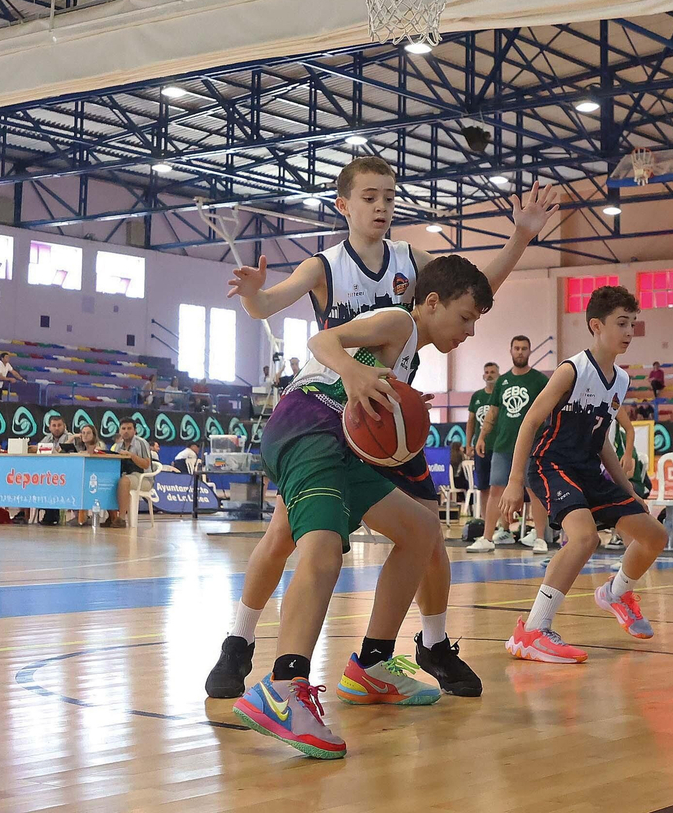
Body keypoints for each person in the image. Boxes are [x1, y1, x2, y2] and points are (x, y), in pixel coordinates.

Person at [207, 156, 557, 703]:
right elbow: (273, 309)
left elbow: (470, 288)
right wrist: (255, 293)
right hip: (329, 408)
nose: (382, 206)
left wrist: (520, 237)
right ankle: (243, 645)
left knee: (423, 531)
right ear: (344, 205)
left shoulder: (411, 263)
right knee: (289, 539)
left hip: (382, 421)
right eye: (370, 197)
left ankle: (403, 652)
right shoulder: (329, 266)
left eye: (390, 198)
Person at [231, 255, 491, 760]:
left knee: (421, 530)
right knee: (322, 552)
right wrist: (351, 372)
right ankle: (282, 688)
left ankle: (371, 665)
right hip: (310, 423)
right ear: (431, 302)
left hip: (337, 440)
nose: (469, 330)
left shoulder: (408, 351)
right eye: (465, 318)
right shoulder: (398, 320)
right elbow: (322, 341)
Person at [500, 286, 668, 662]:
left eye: (633, 324)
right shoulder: (571, 370)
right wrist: (514, 482)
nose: (629, 331)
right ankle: (533, 630)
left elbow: (602, 438)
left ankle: (617, 592)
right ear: (596, 325)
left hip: (588, 469)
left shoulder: (620, 380)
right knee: (583, 538)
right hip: (551, 464)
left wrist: (628, 490)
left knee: (654, 535)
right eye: (621, 323)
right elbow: (529, 423)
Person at [481, 336, 552, 552]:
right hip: (503, 445)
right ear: (510, 351)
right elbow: (493, 412)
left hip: (532, 446)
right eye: (516, 348)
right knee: (496, 490)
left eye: (524, 348)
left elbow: (549, 411)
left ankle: (540, 538)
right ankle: (487, 537)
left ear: (530, 351)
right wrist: (483, 436)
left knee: (534, 490)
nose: (520, 352)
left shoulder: (539, 380)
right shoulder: (501, 381)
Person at [464, 361, 504, 552]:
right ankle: (484, 523)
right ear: (483, 375)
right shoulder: (477, 396)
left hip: (500, 446)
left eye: (492, 372)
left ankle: (504, 526)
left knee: (500, 487)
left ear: (499, 374)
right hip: (482, 448)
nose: (489, 375)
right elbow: (471, 421)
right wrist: (468, 443)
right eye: (486, 372)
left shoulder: (503, 394)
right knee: (484, 487)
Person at [108, 418, 153, 528]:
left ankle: (122, 518)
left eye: (129, 428)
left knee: (124, 481)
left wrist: (131, 456)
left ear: (135, 430)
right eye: (123, 428)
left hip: (143, 478)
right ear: (119, 430)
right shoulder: (118, 446)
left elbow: (146, 464)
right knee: (108, 481)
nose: (126, 431)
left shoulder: (141, 443)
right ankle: (111, 516)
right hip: (126, 474)